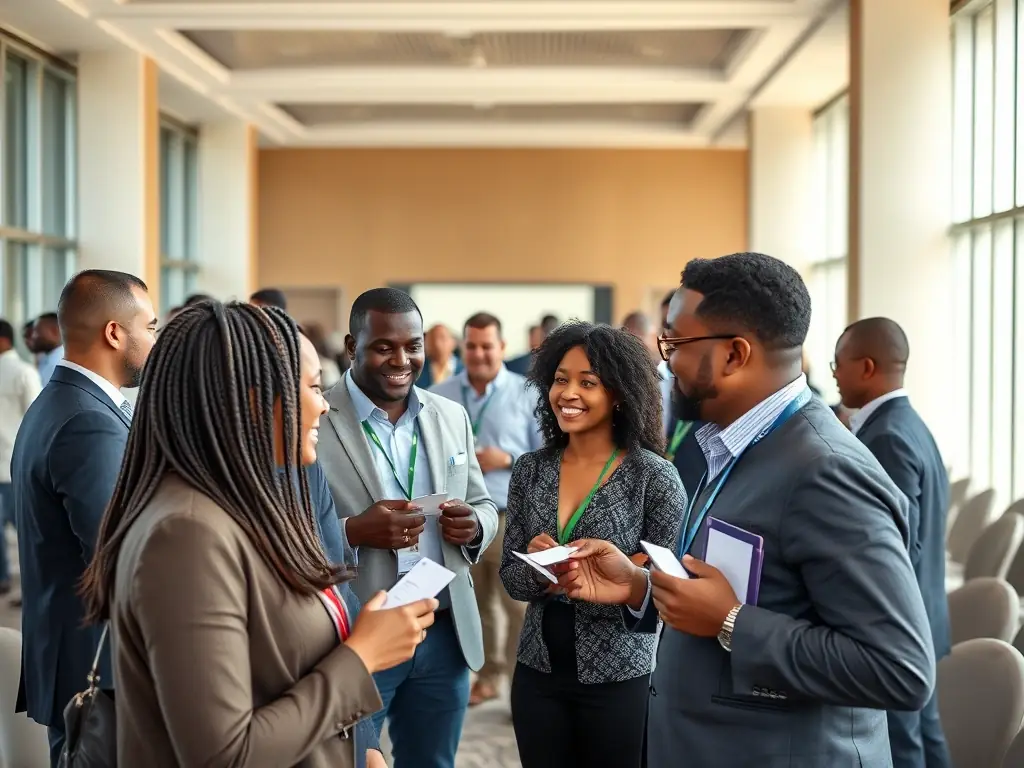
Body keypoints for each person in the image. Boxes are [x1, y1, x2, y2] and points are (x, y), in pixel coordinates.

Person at [556, 252, 935, 767]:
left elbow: (898, 668)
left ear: (735, 354)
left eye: (677, 343)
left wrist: (732, 621)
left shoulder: (825, 470)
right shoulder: (736, 444)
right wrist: (640, 587)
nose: (666, 361)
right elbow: (753, 588)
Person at [80, 301, 436, 768]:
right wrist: (363, 656)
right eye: (312, 387)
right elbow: (223, 755)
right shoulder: (186, 536)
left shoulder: (243, 507)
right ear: (252, 400)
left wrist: (360, 744)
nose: (325, 405)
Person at [317, 288, 498, 768]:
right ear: (352, 347)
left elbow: (483, 502)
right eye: (384, 347)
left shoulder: (450, 415)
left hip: (443, 629)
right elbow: (286, 527)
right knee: (351, 761)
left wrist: (475, 524)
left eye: (412, 345)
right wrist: (354, 531)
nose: (402, 359)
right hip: (357, 631)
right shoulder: (315, 416)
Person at [499, 321, 684, 768]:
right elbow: (510, 576)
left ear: (619, 393)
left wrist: (628, 576)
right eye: (560, 380)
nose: (568, 393)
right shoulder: (531, 469)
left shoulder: (654, 478)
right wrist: (537, 570)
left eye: (588, 382)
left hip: (621, 675)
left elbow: (669, 589)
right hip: (537, 671)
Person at [11, 270, 158, 765]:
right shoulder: (88, 422)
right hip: (99, 669)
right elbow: (119, 555)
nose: (155, 340)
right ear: (116, 333)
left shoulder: (64, 403)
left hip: (77, 658)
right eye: (151, 327)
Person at [833, 317, 952, 768]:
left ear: (866, 367)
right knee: (925, 739)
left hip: (899, 625)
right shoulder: (910, 424)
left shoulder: (885, 436)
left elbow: (898, 550)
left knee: (904, 749)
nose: (834, 375)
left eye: (837, 364)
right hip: (924, 615)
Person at [430, 312, 542, 707]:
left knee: (517, 606)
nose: (479, 354)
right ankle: (489, 676)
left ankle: (520, 687)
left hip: (510, 516)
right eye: (472, 346)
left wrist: (508, 457)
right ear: (464, 347)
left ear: (501, 348)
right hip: (459, 519)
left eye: (487, 346)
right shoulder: (441, 394)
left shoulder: (527, 393)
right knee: (476, 604)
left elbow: (548, 455)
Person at [0, 319, 41, 594]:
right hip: (12, 462)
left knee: (30, 527)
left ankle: (32, 581)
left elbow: (35, 417)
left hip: (13, 464)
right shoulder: (25, 371)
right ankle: (5, 578)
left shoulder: (23, 371)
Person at [417, 323, 460, 388]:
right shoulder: (417, 370)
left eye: (442, 338)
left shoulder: (465, 371)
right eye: (432, 339)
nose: (437, 344)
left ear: (453, 343)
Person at [32, 312, 63, 385]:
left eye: (37, 331)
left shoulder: (60, 364)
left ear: (54, 332)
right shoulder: (46, 359)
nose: (33, 336)